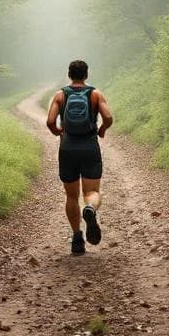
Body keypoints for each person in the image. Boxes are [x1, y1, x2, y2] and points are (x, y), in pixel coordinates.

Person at [46, 59, 113, 255]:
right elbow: (108, 118)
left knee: (71, 195)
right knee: (92, 192)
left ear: (69, 74)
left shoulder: (60, 95)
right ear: (86, 75)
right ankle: (90, 208)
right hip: (89, 147)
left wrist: (59, 132)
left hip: (67, 148)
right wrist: (101, 129)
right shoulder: (95, 94)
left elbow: (50, 121)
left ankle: (77, 238)